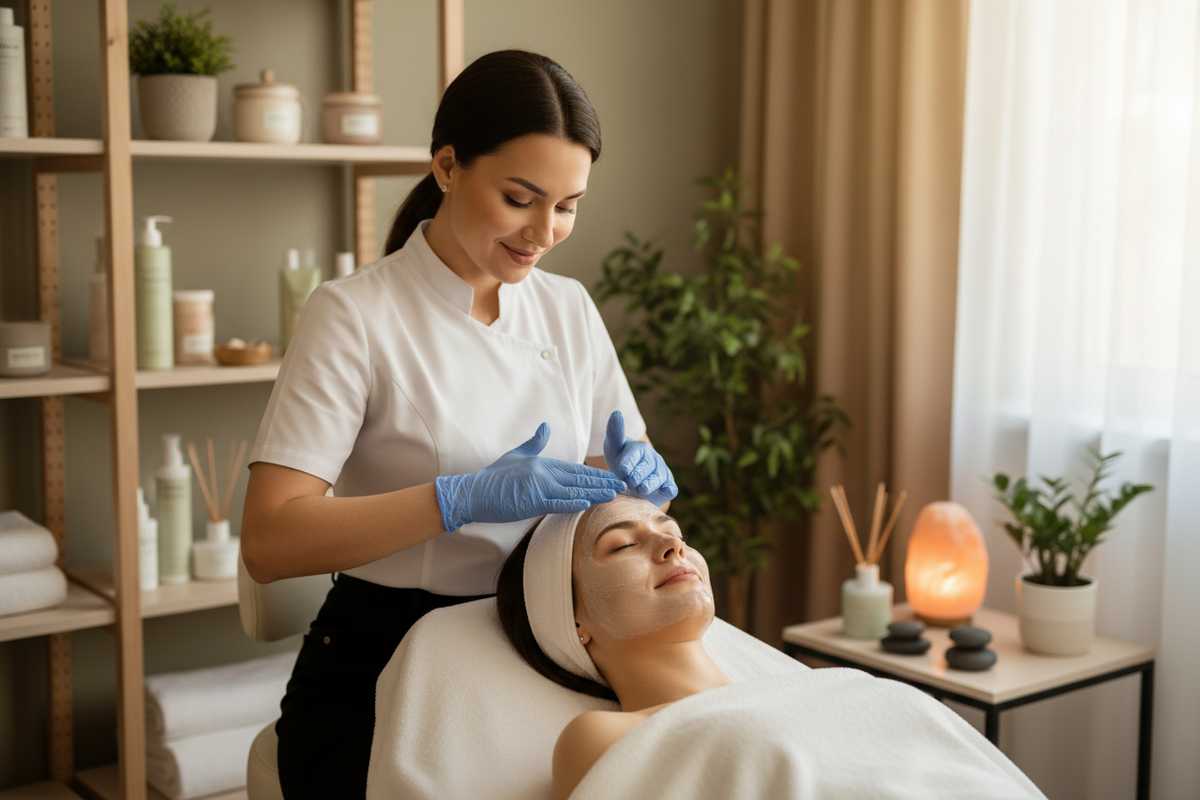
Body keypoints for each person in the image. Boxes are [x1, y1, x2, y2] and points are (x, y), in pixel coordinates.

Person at [240, 49, 677, 798]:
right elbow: (270, 540)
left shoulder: (567, 307)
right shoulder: (354, 316)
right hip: (385, 656)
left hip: (544, 642)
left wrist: (639, 482)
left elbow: (617, 477)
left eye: (568, 205)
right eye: (520, 198)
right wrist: (456, 500)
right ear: (447, 165)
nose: (543, 232)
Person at [496, 497, 1047, 800]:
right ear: (572, 620)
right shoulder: (600, 735)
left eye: (673, 529)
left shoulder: (814, 688)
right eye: (621, 545)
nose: (671, 545)